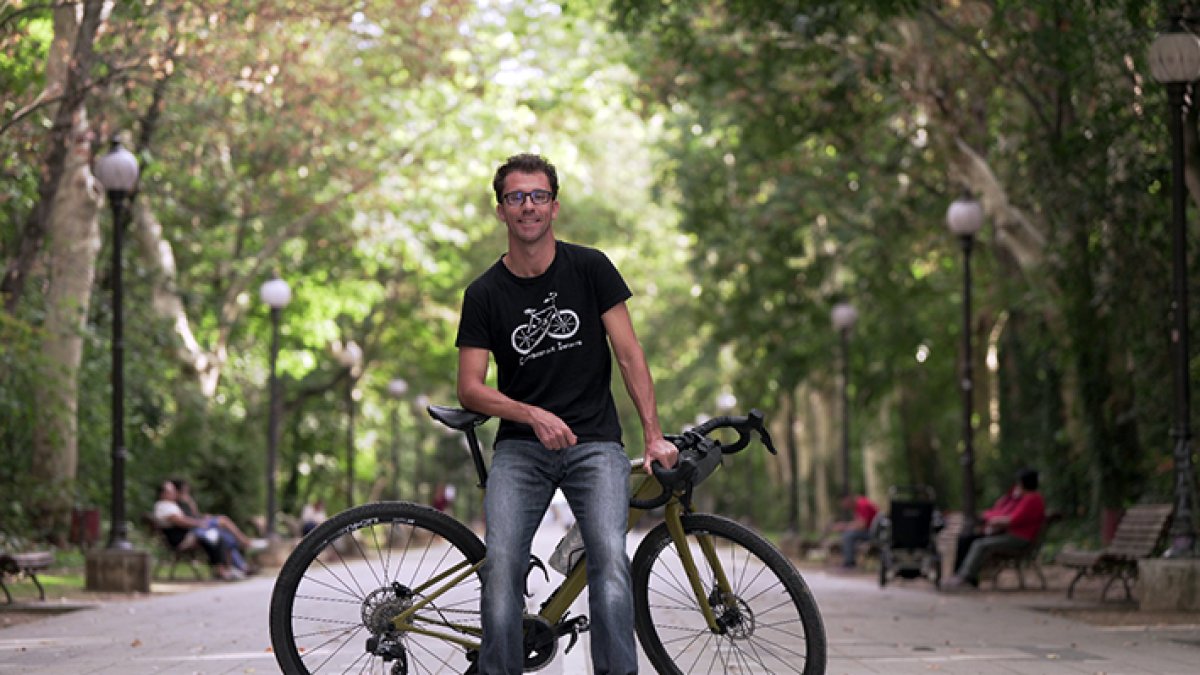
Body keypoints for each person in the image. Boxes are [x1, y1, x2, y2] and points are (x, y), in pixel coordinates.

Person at [455, 153, 678, 674]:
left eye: (537, 196)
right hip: (519, 449)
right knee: (503, 564)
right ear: (500, 210)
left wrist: (653, 436)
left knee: (608, 560)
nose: (527, 206)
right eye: (516, 197)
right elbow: (470, 389)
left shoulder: (591, 268)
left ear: (554, 207)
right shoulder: (484, 294)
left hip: (596, 443)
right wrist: (530, 413)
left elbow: (629, 353)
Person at [946, 467, 1046, 590]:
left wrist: (994, 521)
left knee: (979, 544)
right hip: (1009, 534)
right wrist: (1007, 500)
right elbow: (1001, 511)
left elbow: (1013, 519)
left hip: (1018, 538)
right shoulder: (1022, 498)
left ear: (1023, 483)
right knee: (967, 538)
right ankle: (963, 576)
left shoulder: (1031, 499)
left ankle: (966, 576)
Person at [152, 480, 242, 581]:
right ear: (162, 494)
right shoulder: (163, 506)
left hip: (188, 534)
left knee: (218, 536)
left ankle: (231, 567)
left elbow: (192, 516)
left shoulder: (173, 505)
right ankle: (223, 569)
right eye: (170, 491)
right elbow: (180, 521)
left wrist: (191, 506)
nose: (174, 493)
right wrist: (199, 523)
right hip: (180, 539)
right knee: (213, 535)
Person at [170, 478, 264, 572]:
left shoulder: (185, 501)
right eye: (185, 489)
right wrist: (200, 522)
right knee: (223, 521)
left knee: (226, 536)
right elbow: (184, 520)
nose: (187, 491)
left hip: (198, 525)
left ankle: (242, 566)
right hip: (195, 529)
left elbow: (195, 514)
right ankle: (245, 542)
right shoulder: (174, 505)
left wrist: (194, 507)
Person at [830, 493, 880, 569]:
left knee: (848, 536)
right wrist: (845, 526)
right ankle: (849, 560)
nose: (844, 507)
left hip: (874, 532)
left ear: (848, 499)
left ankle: (850, 562)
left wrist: (844, 527)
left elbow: (862, 525)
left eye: (844, 504)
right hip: (868, 531)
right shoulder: (856, 506)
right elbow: (857, 522)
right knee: (847, 534)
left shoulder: (862, 504)